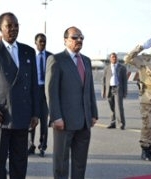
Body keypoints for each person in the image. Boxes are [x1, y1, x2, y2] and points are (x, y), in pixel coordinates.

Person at [0, 12, 40, 179]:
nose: (13, 29)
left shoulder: (28, 51)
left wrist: (35, 113)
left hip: (22, 117)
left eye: (16, 25)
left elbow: (33, 85)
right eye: (9, 26)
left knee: (19, 165)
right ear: (0, 28)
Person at [45, 26, 98, 179]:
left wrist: (93, 113)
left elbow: (89, 90)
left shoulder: (86, 61)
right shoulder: (56, 60)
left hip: (84, 121)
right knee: (61, 162)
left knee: (80, 163)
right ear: (65, 40)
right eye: (75, 37)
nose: (79, 40)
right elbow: (51, 91)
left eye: (81, 37)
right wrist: (56, 117)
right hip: (64, 121)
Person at [124, 35, 151, 161]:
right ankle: (144, 150)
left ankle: (150, 148)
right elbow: (128, 58)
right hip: (148, 97)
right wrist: (141, 47)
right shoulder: (145, 59)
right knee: (148, 125)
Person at [28, 33, 52, 157]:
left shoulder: (51, 57)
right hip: (33, 90)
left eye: (44, 42)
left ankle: (42, 146)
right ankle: (30, 145)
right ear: (35, 42)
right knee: (32, 119)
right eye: (40, 41)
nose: (42, 44)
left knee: (43, 120)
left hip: (45, 92)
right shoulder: (30, 56)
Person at [102, 52, 127, 130]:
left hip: (118, 88)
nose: (114, 58)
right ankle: (112, 123)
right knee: (111, 107)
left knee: (119, 107)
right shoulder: (107, 68)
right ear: (110, 59)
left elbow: (125, 81)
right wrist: (103, 91)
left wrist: (125, 92)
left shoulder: (122, 68)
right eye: (112, 57)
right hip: (109, 89)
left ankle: (121, 124)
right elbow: (103, 80)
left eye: (115, 57)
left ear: (117, 58)